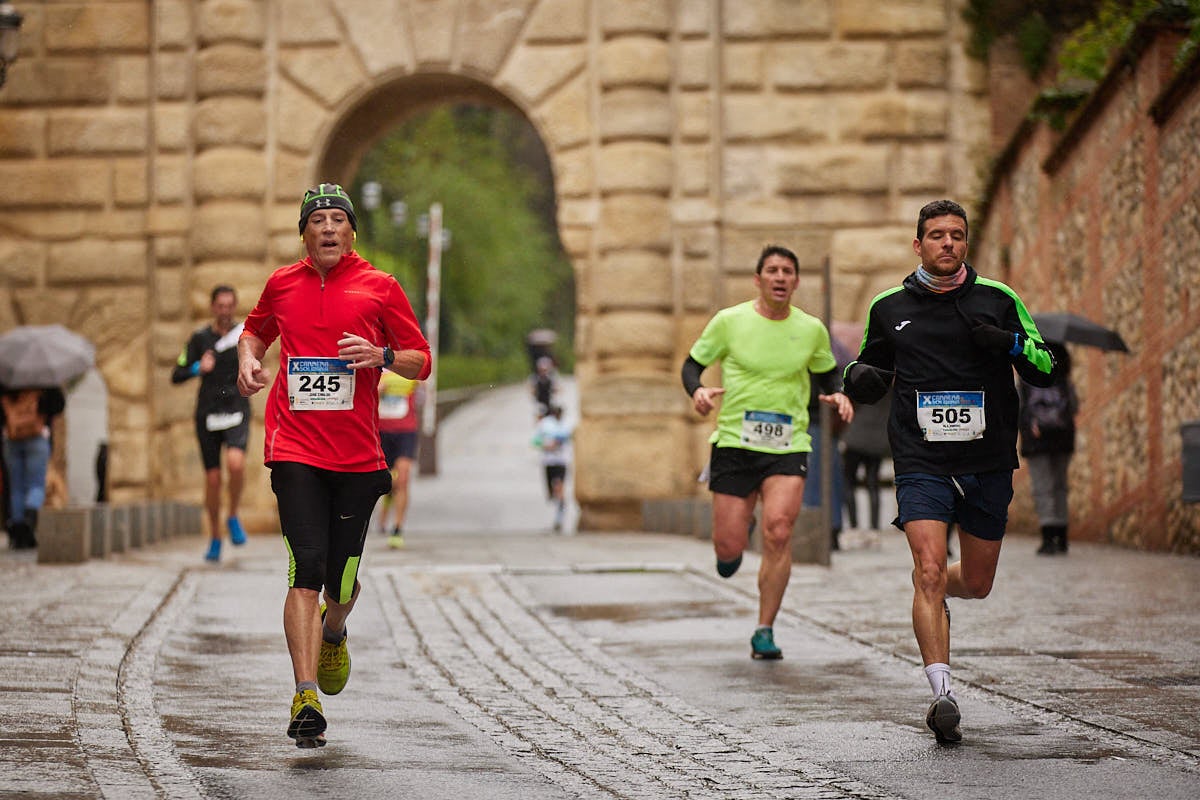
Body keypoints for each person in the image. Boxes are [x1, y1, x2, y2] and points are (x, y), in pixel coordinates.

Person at [843, 199, 1058, 744]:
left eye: (956, 236)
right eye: (935, 235)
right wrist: (857, 379)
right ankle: (942, 694)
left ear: (966, 243)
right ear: (918, 245)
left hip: (986, 460)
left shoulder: (999, 298)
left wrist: (1007, 342)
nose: (947, 244)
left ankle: (935, 591)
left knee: (977, 582)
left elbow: (1046, 368)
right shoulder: (889, 306)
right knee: (929, 567)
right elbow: (869, 366)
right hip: (921, 459)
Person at [237, 183, 430, 748]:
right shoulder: (282, 283)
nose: (326, 227)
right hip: (294, 448)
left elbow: (421, 360)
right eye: (316, 218)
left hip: (358, 456)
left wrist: (383, 355)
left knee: (342, 580)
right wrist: (249, 359)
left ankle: (335, 631)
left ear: (351, 233)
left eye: (336, 219)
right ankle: (304, 695)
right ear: (304, 233)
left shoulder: (380, 287)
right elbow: (255, 330)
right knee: (306, 567)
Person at [682, 244, 853, 660]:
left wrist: (838, 394)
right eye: (772, 271)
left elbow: (826, 370)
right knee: (728, 549)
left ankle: (765, 628)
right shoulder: (729, 321)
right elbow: (691, 366)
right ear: (758, 280)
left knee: (779, 531)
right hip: (735, 444)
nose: (780, 277)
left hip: (787, 443)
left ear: (796, 281)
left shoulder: (811, 329)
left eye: (788, 271)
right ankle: (737, 536)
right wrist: (699, 391)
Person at [171, 284, 251, 562]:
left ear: (235, 306)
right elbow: (176, 374)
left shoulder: (244, 335)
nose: (226, 311)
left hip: (236, 408)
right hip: (208, 412)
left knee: (236, 463)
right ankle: (215, 535)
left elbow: (256, 357)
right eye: (221, 305)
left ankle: (232, 515)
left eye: (230, 305)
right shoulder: (199, 338)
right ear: (213, 307)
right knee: (214, 480)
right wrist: (197, 367)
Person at [1018, 342, 1077, 555]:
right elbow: (1075, 406)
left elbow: (1019, 408)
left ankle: (1047, 537)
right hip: (1063, 438)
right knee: (1060, 485)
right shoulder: (1063, 379)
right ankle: (1062, 537)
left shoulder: (1027, 377)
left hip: (1037, 441)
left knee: (1043, 487)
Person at [802, 335, 853, 549]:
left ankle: (824, 528)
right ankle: (832, 527)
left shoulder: (812, 353)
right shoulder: (832, 351)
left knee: (817, 479)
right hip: (823, 425)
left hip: (814, 422)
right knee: (828, 478)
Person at [1, 385, 65, 549]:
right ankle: (30, 519)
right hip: (37, 438)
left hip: (12, 439)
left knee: (16, 488)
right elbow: (58, 406)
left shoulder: (8, 382)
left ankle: (17, 529)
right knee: (36, 484)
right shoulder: (44, 383)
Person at [377, 370, 420, 548]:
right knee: (386, 482)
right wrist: (379, 390)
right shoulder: (374, 355)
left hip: (406, 431)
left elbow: (424, 383)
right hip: (381, 431)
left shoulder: (408, 359)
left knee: (403, 478)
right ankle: (388, 498)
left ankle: (397, 528)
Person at [841, 386, 891, 530]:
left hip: (855, 438)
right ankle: (874, 527)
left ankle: (853, 525)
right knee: (873, 483)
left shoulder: (863, 377)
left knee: (848, 482)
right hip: (878, 442)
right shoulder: (891, 386)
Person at [532, 404, 572, 532]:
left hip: (561, 462)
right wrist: (546, 446)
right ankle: (559, 508)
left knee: (559, 489)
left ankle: (559, 518)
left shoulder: (566, 425)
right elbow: (535, 441)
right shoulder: (546, 424)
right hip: (548, 462)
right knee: (551, 494)